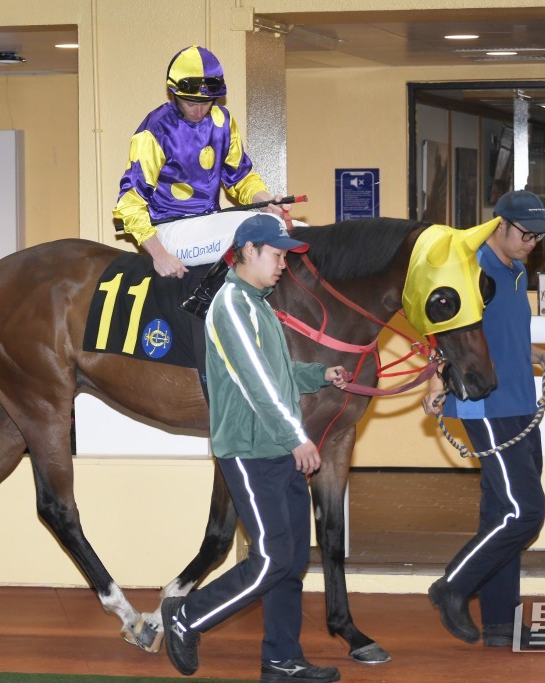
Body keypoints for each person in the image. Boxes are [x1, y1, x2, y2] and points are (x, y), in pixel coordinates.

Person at [160, 213, 345, 683]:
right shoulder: (231, 305)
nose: (284, 264)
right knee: (270, 560)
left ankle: (282, 658)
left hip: (276, 450)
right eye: (277, 254)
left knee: (292, 562)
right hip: (249, 452)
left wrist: (319, 375)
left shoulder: (259, 305)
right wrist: (296, 437)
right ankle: (186, 615)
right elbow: (256, 382)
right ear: (247, 251)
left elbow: (277, 373)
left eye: (285, 255)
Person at [422, 190, 545, 649]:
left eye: (539, 235)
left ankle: (503, 624)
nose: (532, 243)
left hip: (521, 402)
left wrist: (537, 354)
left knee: (502, 513)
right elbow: (439, 328)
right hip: (486, 406)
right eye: (526, 233)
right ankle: (453, 587)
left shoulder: (518, 271)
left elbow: (503, 334)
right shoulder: (470, 268)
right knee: (525, 511)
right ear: (499, 224)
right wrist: (434, 381)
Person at [113, 45, 287, 317]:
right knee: (251, 231)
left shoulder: (222, 120)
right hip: (169, 229)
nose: (199, 110)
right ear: (174, 94)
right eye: (191, 102)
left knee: (288, 226)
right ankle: (204, 303)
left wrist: (264, 201)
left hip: (207, 224)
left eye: (206, 102)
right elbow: (129, 202)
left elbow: (240, 176)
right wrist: (159, 254)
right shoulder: (155, 129)